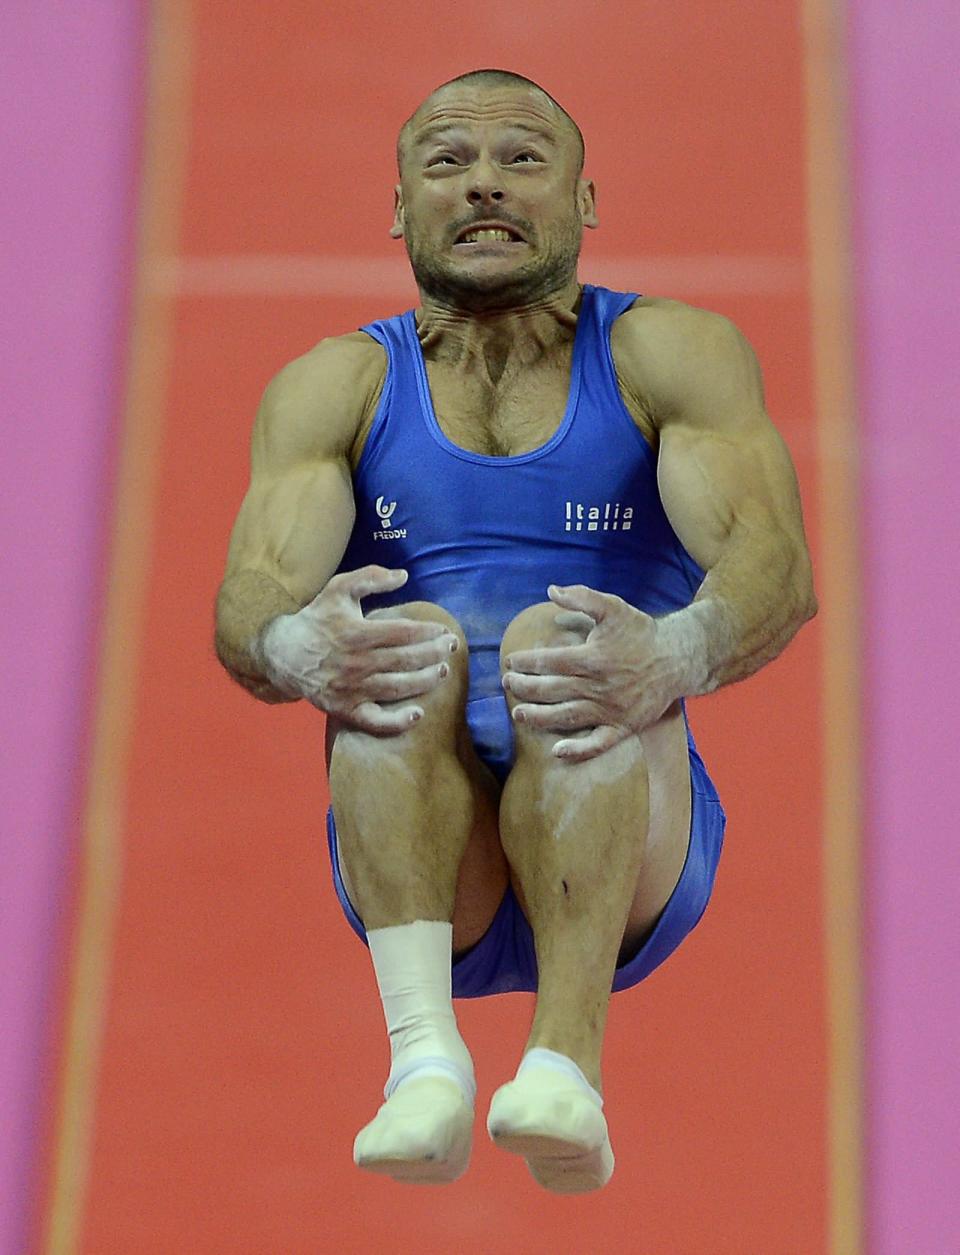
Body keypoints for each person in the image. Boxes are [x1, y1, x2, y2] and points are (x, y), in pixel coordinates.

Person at [214, 67, 817, 1194]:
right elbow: (247, 597)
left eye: (523, 160)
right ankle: (423, 1062)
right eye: (447, 163)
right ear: (400, 207)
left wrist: (673, 652)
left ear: (586, 201)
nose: (483, 184)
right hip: (424, 838)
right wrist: (299, 646)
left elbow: (774, 567)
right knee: (406, 646)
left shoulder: (662, 358)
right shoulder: (338, 384)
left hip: (622, 822)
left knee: (559, 640)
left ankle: (566, 1069)